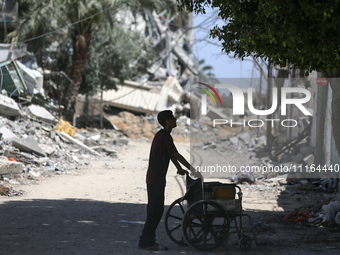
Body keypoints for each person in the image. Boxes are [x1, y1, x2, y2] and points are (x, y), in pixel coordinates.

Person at [138, 110, 202, 251]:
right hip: (156, 179)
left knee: (154, 210)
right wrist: (192, 169)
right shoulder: (164, 136)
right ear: (167, 121)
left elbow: (171, 155)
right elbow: (175, 154)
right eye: (172, 118)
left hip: (155, 178)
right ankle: (149, 242)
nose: (175, 120)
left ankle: (144, 240)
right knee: (155, 211)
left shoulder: (162, 136)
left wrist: (179, 168)